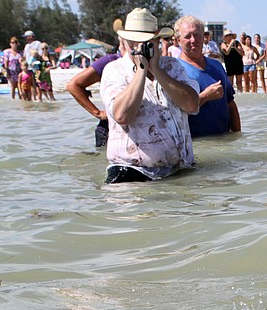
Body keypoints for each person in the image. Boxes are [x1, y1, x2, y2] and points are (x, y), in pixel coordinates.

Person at [100, 7, 199, 183]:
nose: (139, 48)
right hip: (131, 172)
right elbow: (122, 115)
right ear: (126, 41)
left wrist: (157, 70)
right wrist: (141, 70)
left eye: (147, 42)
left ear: (157, 40)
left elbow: (192, 105)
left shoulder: (173, 67)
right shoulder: (114, 71)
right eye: (135, 42)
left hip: (180, 170)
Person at [175, 15, 241, 137]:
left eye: (196, 35)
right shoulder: (174, 71)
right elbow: (174, 114)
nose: (193, 40)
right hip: (197, 145)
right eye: (187, 36)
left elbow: (231, 105)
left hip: (225, 142)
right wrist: (205, 96)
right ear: (178, 40)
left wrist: (238, 137)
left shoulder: (217, 66)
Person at [67, 20, 124, 147]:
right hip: (110, 130)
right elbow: (73, 85)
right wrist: (97, 113)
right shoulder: (110, 60)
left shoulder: (148, 62)